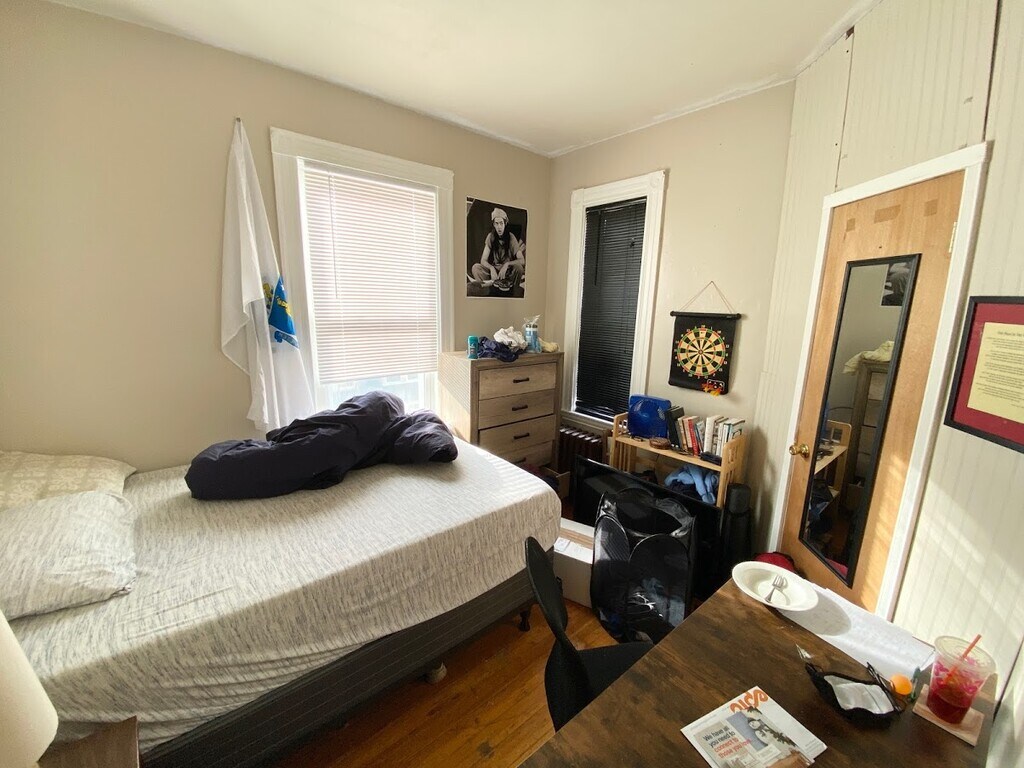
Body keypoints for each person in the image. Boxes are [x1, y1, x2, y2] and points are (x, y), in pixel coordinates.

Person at [471, 207, 525, 287]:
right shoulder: (491, 236)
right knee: (476, 268)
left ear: (505, 223)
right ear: (494, 224)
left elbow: (522, 260)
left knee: (519, 268)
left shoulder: (511, 237)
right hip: (495, 274)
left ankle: (511, 289)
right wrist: (491, 268)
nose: (499, 227)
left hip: (508, 273)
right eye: (496, 223)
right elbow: (483, 260)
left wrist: (507, 264)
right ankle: (491, 288)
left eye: (501, 223)